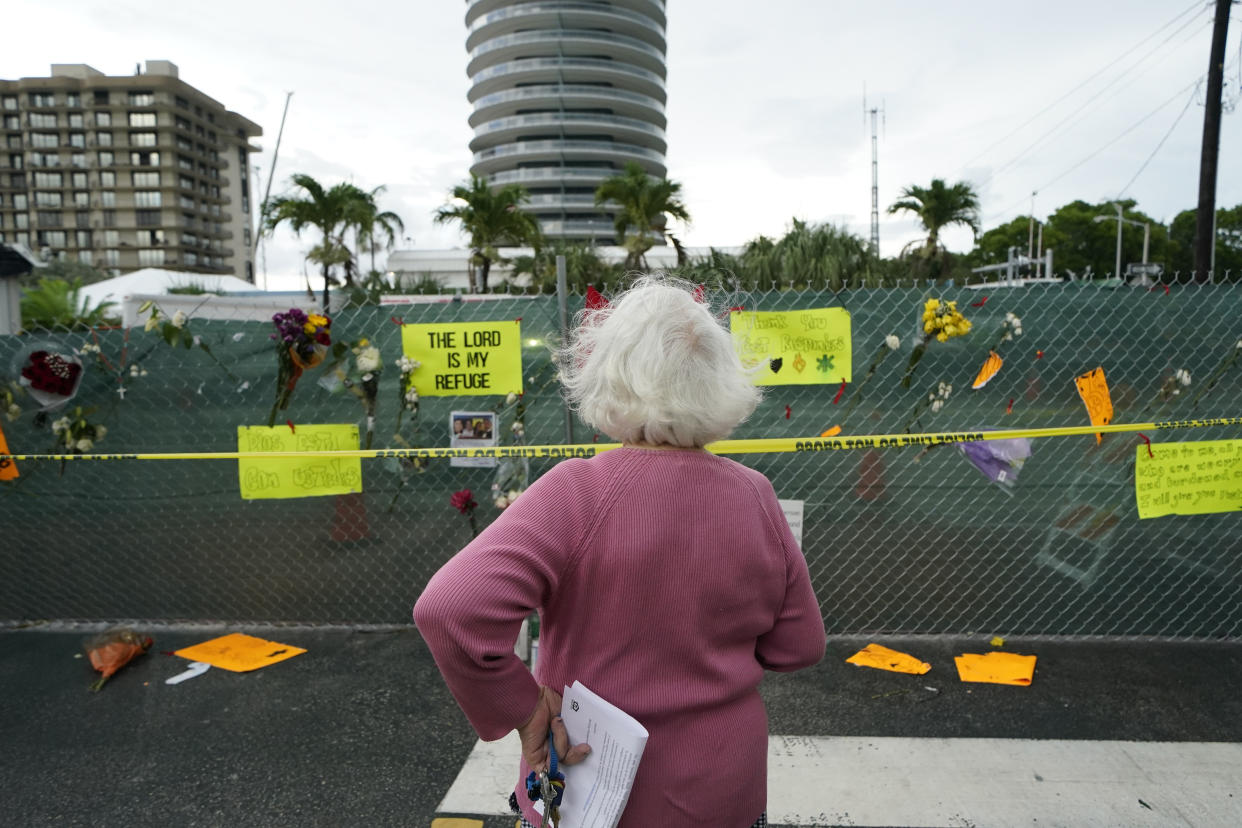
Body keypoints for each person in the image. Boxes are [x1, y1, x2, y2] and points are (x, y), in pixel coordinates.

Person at [413, 276, 826, 828]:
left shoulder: (577, 492)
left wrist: (525, 707)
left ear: (607, 375)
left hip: (590, 785)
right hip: (724, 786)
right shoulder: (755, 494)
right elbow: (799, 647)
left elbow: (450, 609)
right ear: (721, 380)